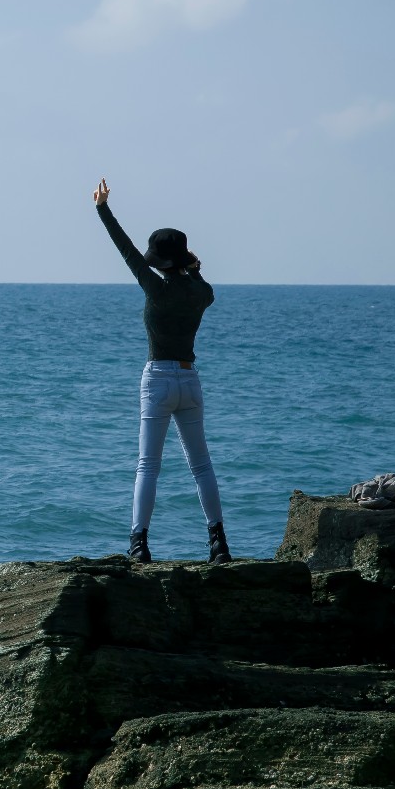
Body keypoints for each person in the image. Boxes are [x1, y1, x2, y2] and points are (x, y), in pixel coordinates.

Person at [91, 178, 230, 565]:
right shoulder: (201, 293)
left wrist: (103, 208)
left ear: (160, 262)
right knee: (201, 466)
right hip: (190, 380)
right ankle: (218, 544)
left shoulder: (156, 288)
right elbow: (205, 287)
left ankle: (139, 545)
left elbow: (126, 249)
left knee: (148, 465)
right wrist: (195, 268)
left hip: (158, 380)